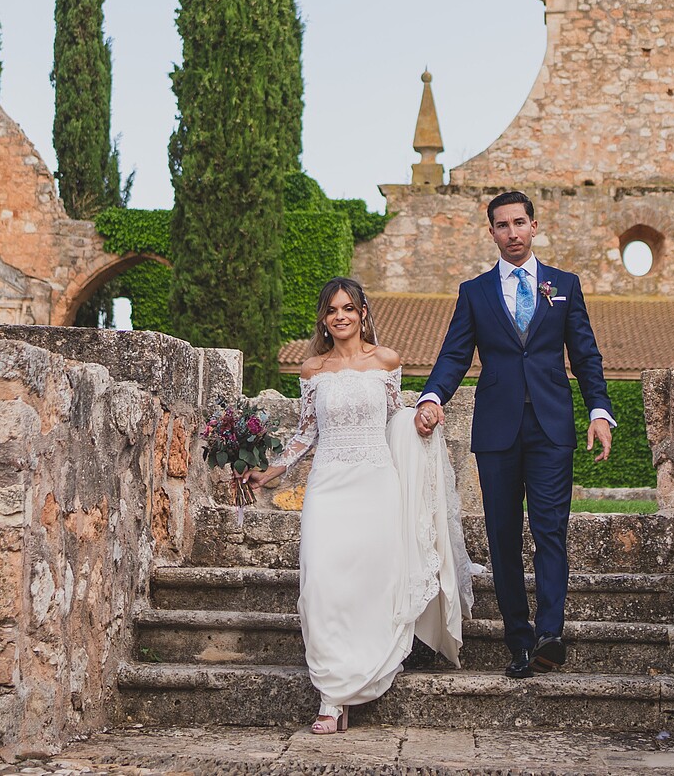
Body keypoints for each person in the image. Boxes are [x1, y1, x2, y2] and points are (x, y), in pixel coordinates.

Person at [244, 277, 472, 735]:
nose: (341, 316)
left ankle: (342, 695)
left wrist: (422, 420)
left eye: (349, 308)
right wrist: (266, 472)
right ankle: (332, 688)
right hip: (329, 484)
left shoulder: (387, 361)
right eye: (332, 310)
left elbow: (396, 418)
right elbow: (306, 434)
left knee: (371, 584)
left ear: (363, 312)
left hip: (375, 481)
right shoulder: (312, 369)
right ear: (324, 319)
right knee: (321, 585)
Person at [414, 191, 614, 679]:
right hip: (498, 430)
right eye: (502, 226)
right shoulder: (475, 292)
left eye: (520, 223)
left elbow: (585, 355)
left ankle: (550, 634)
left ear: (534, 225)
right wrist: (432, 397)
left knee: (550, 532)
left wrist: (600, 410)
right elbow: (455, 355)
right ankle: (519, 641)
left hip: (552, 427)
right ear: (492, 233)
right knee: (503, 538)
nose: (513, 233)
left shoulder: (564, 286)